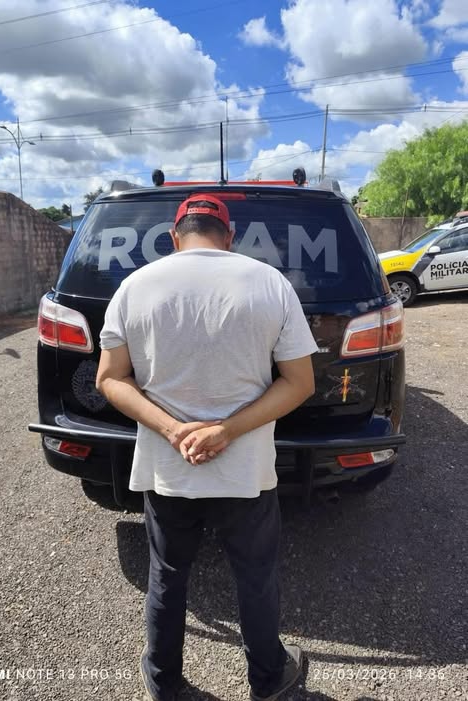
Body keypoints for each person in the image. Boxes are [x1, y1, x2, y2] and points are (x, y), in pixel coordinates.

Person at [96, 194, 318, 701]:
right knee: (255, 576)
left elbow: (110, 378)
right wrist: (226, 431)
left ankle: (163, 680)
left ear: (174, 237)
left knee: (168, 575)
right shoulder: (270, 283)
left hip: (168, 469)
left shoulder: (134, 287)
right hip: (245, 472)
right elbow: (300, 382)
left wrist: (174, 431)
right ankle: (268, 678)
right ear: (229, 237)